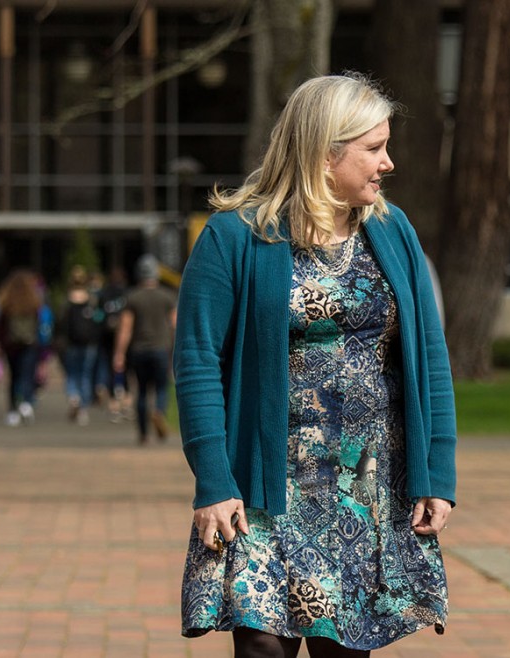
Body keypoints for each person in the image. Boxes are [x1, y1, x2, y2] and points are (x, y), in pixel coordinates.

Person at [174, 73, 455, 657]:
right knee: (262, 651)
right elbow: (197, 360)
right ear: (325, 154)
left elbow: (429, 355)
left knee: (343, 652)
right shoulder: (235, 236)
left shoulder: (391, 230)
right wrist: (213, 481)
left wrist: (437, 473)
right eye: (374, 148)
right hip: (264, 486)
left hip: (365, 487)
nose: (389, 162)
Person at [112, 254, 176, 444]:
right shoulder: (167, 296)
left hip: (139, 350)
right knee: (161, 388)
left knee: (140, 391)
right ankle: (159, 411)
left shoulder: (133, 297)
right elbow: (175, 324)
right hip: (161, 349)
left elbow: (125, 328)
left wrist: (119, 354)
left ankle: (143, 434)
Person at [0, 269, 54, 426]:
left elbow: (0, 328)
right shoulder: (34, 302)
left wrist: (0, 346)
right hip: (30, 344)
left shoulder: (6, 302)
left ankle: (13, 409)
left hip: (11, 344)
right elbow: (40, 325)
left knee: (14, 377)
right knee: (27, 374)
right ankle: (26, 403)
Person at [57, 265, 104, 425]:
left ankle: (73, 397)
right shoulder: (91, 299)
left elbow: (61, 323)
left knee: (72, 373)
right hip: (89, 342)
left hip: (71, 343)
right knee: (85, 374)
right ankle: (83, 409)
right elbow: (98, 320)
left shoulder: (66, 301)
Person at [95, 266, 130, 422]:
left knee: (110, 369)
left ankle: (114, 406)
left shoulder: (104, 294)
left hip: (107, 336)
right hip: (125, 336)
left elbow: (98, 315)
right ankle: (127, 405)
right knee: (127, 369)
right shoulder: (127, 294)